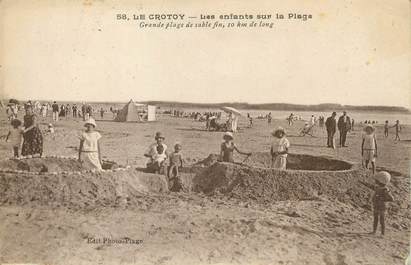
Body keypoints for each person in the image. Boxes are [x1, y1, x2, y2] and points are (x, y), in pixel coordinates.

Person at [371, 171, 394, 236]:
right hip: (377, 206)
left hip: (382, 207)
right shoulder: (377, 188)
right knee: (375, 218)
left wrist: (382, 199)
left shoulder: (385, 190)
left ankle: (382, 233)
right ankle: (374, 231)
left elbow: (392, 199)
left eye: (376, 180)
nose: (375, 181)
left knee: (382, 220)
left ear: (380, 181)